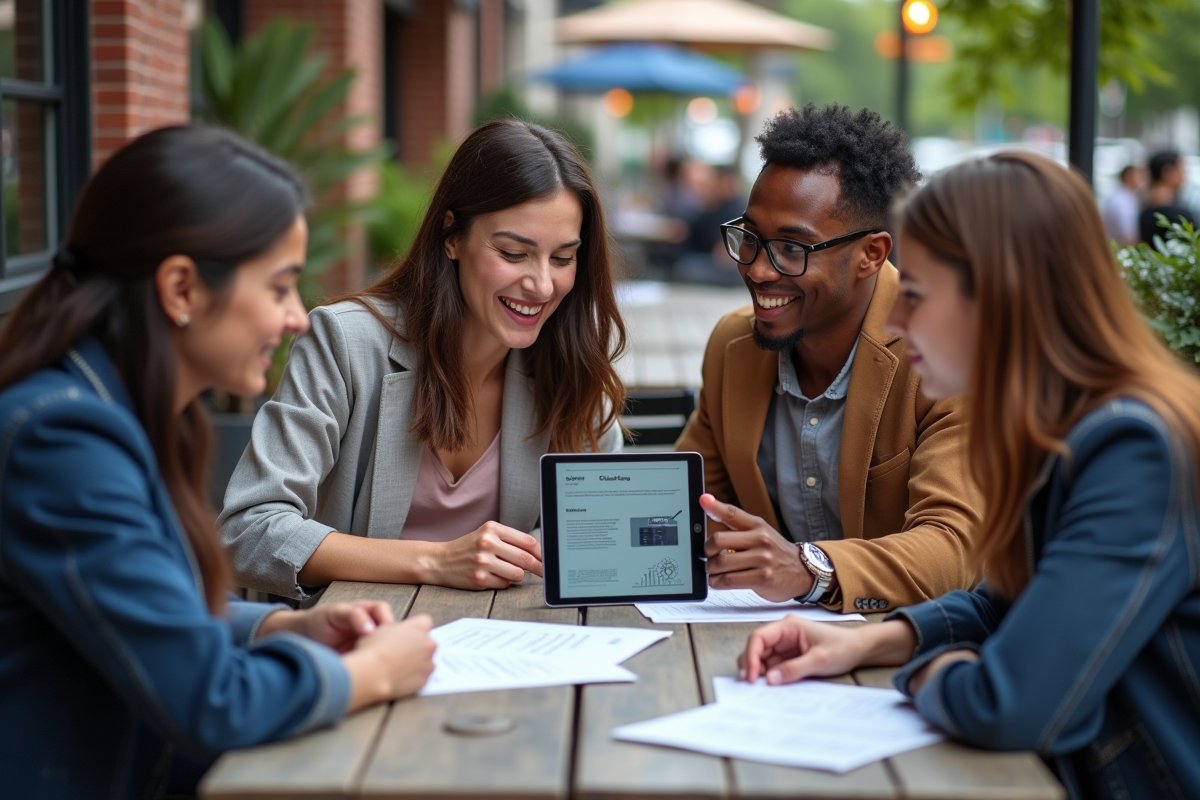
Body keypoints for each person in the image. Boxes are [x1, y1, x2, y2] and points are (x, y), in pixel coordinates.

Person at [739, 151, 1200, 800]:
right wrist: (873, 643)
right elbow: (1006, 600)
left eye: (917, 296)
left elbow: (1006, 703)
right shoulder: (1073, 427)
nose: (895, 323)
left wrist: (934, 671)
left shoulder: (1136, 447)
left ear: (1004, 296)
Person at [0, 126, 437, 799]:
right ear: (181, 288)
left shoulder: (113, 411)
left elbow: (151, 615)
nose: (296, 317)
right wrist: (370, 674)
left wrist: (279, 625)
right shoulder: (64, 439)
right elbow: (211, 701)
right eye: (279, 287)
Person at [220, 119, 627, 601]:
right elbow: (247, 533)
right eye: (514, 253)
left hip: (507, 648)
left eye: (563, 259)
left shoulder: (571, 369)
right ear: (452, 236)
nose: (541, 284)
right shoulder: (345, 343)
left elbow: (606, 540)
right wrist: (436, 560)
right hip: (353, 648)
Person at [677, 104, 981, 614]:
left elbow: (955, 547)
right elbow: (686, 502)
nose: (756, 269)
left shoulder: (947, 355)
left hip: (913, 654)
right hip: (765, 650)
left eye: (792, 249)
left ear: (872, 254)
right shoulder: (734, 347)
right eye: (749, 238)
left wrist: (807, 568)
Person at [1138, 150, 1195, 244]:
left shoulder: (1145, 211)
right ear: (1167, 172)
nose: (1184, 177)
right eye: (1182, 170)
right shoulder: (1179, 216)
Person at [1099, 164, 1144, 246]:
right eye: (1139, 176)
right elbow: (1127, 234)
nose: (1142, 180)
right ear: (1129, 176)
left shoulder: (1124, 197)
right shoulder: (1122, 201)